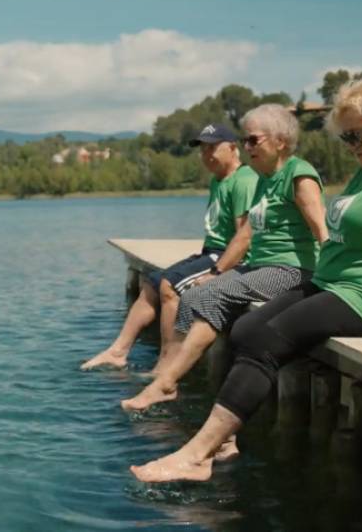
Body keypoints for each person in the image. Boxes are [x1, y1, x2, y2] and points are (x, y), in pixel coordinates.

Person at [130, 78, 362, 483]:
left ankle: (196, 455)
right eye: (344, 137)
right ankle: (223, 439)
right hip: (334, 284)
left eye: (357, 134)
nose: (350, 144)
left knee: (267, 341)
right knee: (246, 329)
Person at [121, 104, 327, 420]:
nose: (246, 147)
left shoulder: (299, 175)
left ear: (281, 141)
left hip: (292, 269)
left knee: (213, 294)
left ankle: (167, 382)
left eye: (253, 140)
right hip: (260, 266)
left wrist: (331, 283)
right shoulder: (263, 180)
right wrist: (218, 271)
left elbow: (323, 233)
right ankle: (176, 378)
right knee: (192, 295)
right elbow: (246, 232)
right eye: (244, 140)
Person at [81, 124, 258, 372]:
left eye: (213, 148)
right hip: (211, 251)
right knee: (152, 284)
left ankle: (166, 364)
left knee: (169, 287)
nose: (207, 154)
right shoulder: (219, 181)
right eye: (203, 149)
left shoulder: (244, 180)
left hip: (229, 259)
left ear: (232, 148)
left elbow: (244, 238)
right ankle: (117, 351)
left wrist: (217, 272)